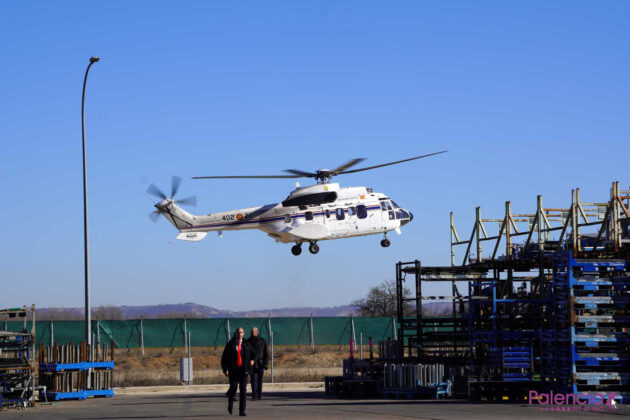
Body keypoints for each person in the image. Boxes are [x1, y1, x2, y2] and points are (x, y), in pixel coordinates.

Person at [221, 327, 254, 416]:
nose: (239, 334)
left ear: (243, 333)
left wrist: (252, 360)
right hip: (233, 371)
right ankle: (230, 405)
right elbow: (224, 358)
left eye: (241, 332)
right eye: (238, 333)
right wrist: (225, 369)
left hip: (243, 371)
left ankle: (242, 411)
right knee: (233, 389)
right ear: (235, 333)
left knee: (243, 391)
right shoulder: (230, 344)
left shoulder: (247, 344)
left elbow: (253, 354)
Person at [247, 327, 269, 400]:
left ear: (257, 332)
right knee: (253, 380)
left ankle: (260, 395)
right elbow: (247, 353)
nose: (253, 333)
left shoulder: (262, 341)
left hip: (261, 363)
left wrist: (265, 364)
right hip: (252, 364)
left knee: (260, 380)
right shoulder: (248, 341)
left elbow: (266, 353)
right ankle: (254, 395)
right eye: (252, 331)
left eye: (254, 331)